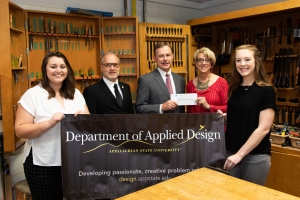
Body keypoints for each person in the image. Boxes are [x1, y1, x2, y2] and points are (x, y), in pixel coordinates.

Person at [14, 52, 90, 199]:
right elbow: (20, 130)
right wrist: (49, 123)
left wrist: (84, 120)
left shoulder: (75, 93)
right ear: (45, 69)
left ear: (67, 69)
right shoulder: (33, 95)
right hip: (42, 163)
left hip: (73, 161)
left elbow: (88, 123)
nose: (58, 70)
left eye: (62, 66)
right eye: (53, 66)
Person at [221, 45, 276, 186]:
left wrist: (239, 155)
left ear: (256, 61)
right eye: (238, 60)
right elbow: (243, 116)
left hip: (255, 157)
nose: (242, 64)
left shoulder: (266, 90)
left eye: (247, 59)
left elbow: (263, 128)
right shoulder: (234, 88)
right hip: (230, 152)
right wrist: (225, 117)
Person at [135, 42, 186, 113]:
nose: (165, 59)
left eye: (167, 55)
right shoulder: (145, 80)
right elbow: (140, 108)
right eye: (161, 56)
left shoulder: (180, 80)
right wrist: (161, 107)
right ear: (154, 58)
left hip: (178, 123)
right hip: (157, 123)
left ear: (172, 56)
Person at [186, 47, 228, 113]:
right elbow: (189, 111)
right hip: (195, 123)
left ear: (211, 64)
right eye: (200, 60)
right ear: (196, 63)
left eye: (207, 60)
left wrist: (209, 107)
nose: (203, 63)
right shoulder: (190, 85)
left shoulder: (222, 82)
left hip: (214, 123)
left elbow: (228, 107)